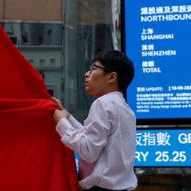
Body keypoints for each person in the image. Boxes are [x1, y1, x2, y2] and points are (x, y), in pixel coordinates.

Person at [53, 50, 137, 191]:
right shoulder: (125, 108)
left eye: (94, 69)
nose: (87, 74)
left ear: (111, 77)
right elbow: (93, 138)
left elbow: (89, 151)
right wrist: (67, 117)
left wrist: (62, 124)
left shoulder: (103, 104)